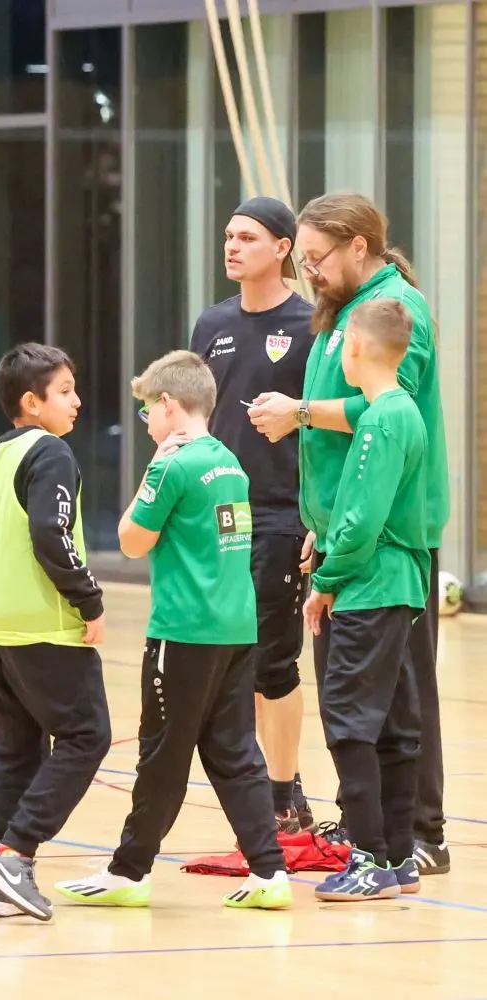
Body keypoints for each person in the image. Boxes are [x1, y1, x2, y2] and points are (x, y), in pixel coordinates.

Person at [248, 192, 450, 874]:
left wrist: (300, 410)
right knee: (371, 702)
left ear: (358, 246)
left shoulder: (397, 312)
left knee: (395, 698)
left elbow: (380, 401)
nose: (309, 271)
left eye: (317, 257)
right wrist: (322, 526)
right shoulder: (339, 311)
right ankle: (384, 834)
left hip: (391, 535)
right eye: (302, 258)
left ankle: (418, 834)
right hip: (346, 533)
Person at [53, 351, 291, 911]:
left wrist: (150, 471)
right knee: (235, 753)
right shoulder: (230, 461)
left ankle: (129, 872)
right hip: (236, 627)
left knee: (161, 754)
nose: (147, 425)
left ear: (166, 405)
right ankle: (269, 871)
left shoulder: (172, 464)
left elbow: (131, 540)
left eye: (145, 412)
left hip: (184, 631)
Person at [0, 343, 110, 922]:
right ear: (31, 403)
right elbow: (51, 532)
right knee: (87, 737)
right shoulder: (50, 452)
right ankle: (14, 851)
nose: (77, 401)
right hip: (46, 626)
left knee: (15, 753)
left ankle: (1, 882)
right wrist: (89, 601)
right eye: (65, 391)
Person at [190, 197, 315, 832]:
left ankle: (285, 790)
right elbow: (190, 417)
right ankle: (248, 786)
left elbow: (326, 428)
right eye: (228, 236)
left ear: (283, 248)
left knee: (273, 659)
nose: (232, 247)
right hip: (219, 515)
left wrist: (316, 516)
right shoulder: (211, 323)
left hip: (279, 514)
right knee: (224, 658)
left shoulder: (311, 324)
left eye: (247, 237)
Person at [301, 298, 430, 901]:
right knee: (395, 728)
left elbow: (361, 517)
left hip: (369, 585)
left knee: (350, 725)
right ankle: (400, 858)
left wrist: (326, 581)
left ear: (354, 348)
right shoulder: (407, 412)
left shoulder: (380, 418)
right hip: (402, 584)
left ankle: (369, 859)